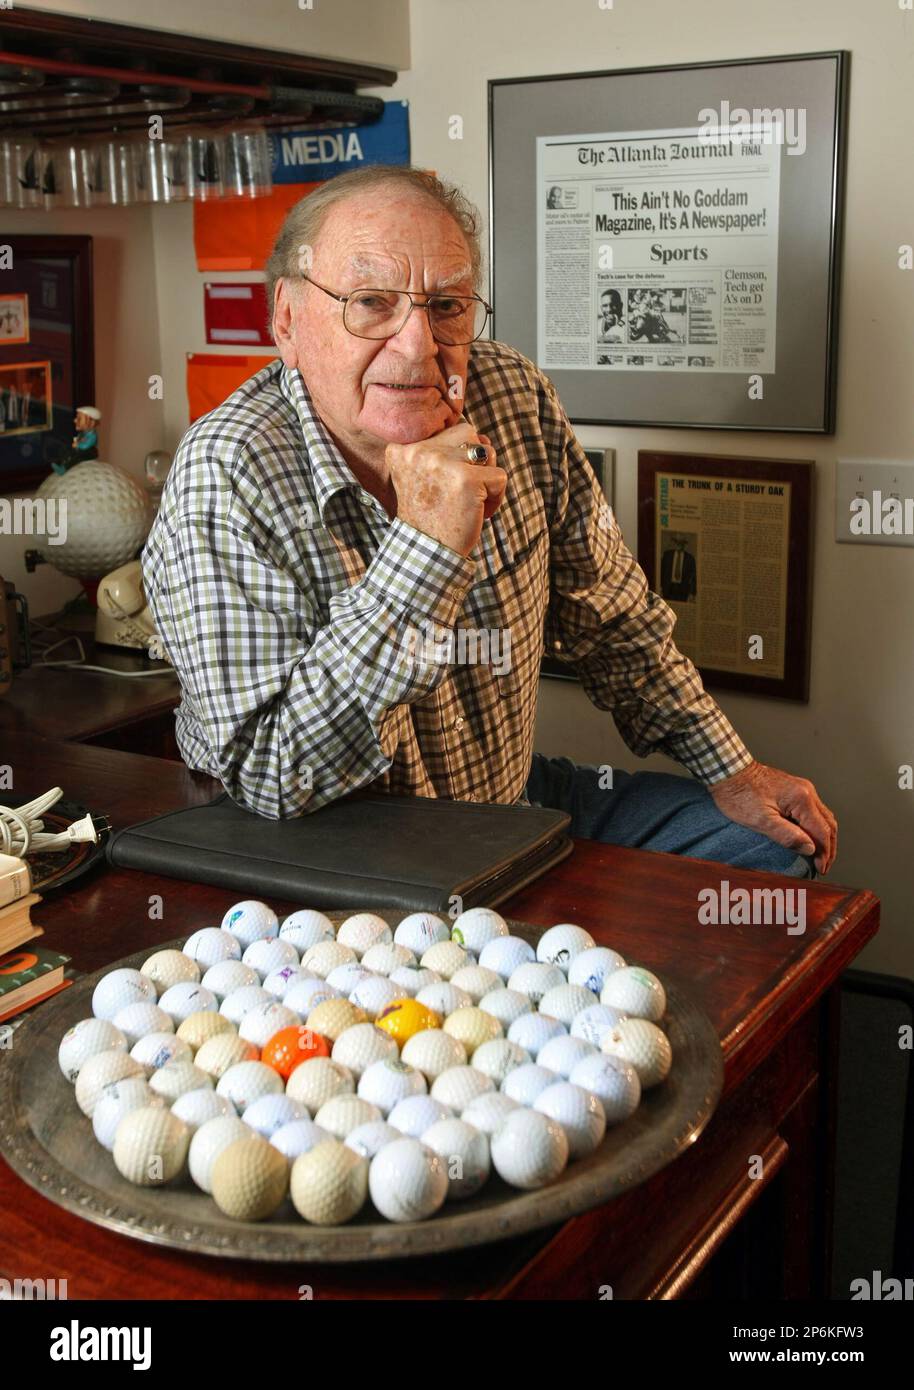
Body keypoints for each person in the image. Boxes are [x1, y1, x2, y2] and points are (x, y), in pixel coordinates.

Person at [142, 165, 837, 878]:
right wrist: (426, 548)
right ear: (287, 320)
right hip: (333, 854)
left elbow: (612, 617)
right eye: (371, 302)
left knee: (772, 852)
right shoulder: (226, 471)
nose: (417, 346)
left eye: (446, 306)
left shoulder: (513, 393)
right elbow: (276, 776)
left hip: (504, 804)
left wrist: (730, 767)